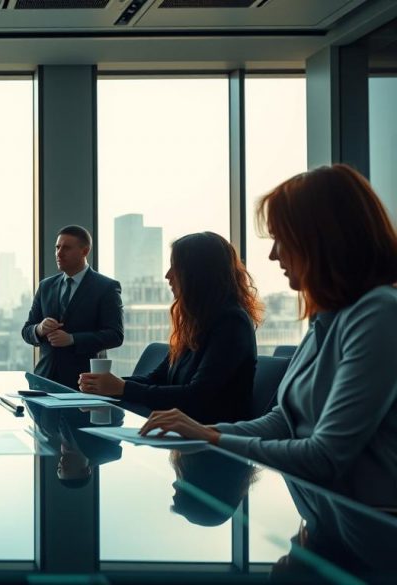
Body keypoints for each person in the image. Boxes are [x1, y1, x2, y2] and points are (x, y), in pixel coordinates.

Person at [140, 164, 397, 510]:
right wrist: (203, 430)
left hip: (368, 529)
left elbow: (324, 456)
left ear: (321, 239)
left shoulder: (380, 314)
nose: (274, 254)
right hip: (324, 515)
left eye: (281, 239)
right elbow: (281, 420)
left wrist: (212, 436)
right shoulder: (328, 319)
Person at [79, 232, 262, 424]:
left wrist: (122, 388)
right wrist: (104, 384)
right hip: (185, 433)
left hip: (213, 440)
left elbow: (197, 396)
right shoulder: (196, 322)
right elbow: (158, 378)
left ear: (199, 273)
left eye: (176, 267)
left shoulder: (231, 322)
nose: (168, 275)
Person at [22, 225, 124, 389]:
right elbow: (26, 331)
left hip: (84, 384)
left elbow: (115, 335)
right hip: (44, 382)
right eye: (57, 247)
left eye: (66, 248)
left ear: (85, 251)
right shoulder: (45, 286)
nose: (59, 253)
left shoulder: (106, 287)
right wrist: (39, 329)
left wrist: (72, 339)